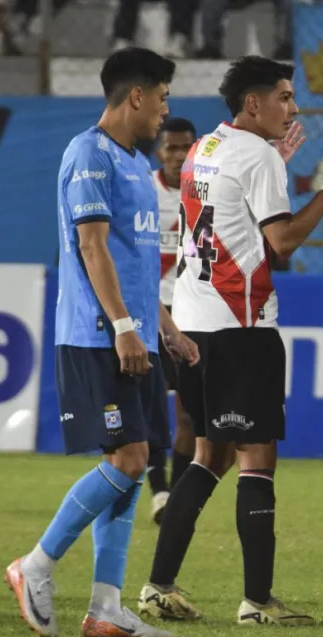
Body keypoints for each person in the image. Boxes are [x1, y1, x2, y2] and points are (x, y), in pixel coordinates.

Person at [137, 55, 323, 625]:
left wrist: (276, 166)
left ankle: (158, 587)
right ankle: (258, 601)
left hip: (193, 320)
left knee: (208, 455)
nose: (292, 108)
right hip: (240, 327)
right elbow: (284, 241)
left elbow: (233, 216)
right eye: (285, 97)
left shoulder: (206, 149)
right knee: (257, 458)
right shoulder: (259, 155)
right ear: (253, 103)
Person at [5, 47, 199, 637]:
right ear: (135, 96)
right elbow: (91, 248)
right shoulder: (88, 154)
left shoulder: (136, 164)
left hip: (134, 335)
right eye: (163, 97)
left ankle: (106, 607)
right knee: (129, 460)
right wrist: (121, 326)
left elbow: (134, 259)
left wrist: (163, 325)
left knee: (134, 467)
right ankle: (35, 565)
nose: (167, 111)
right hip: (97, 336)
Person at [147, 116, 203, 525]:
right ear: (158, 150)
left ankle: (176, 500)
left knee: (187, 416)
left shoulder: (202, 193)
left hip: (188, 316)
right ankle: (158, 491)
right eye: (171, 147)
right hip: (148, 314)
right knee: (149, 411)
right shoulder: (143, 190)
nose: (179, 155)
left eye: (186, 147)